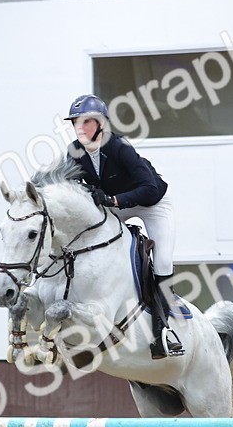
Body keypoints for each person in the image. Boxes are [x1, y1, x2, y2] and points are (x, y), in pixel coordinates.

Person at [63, 94, 184, 359]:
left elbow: (149, 188)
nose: (80, 128)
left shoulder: (119, 147)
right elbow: (67, 184)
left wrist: (114, 200)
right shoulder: (74, 150)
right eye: (75, 123)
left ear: (101, 124)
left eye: (86, 122)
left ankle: (164, 330)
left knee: (162, 260)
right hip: (118, 205)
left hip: (153, 203)